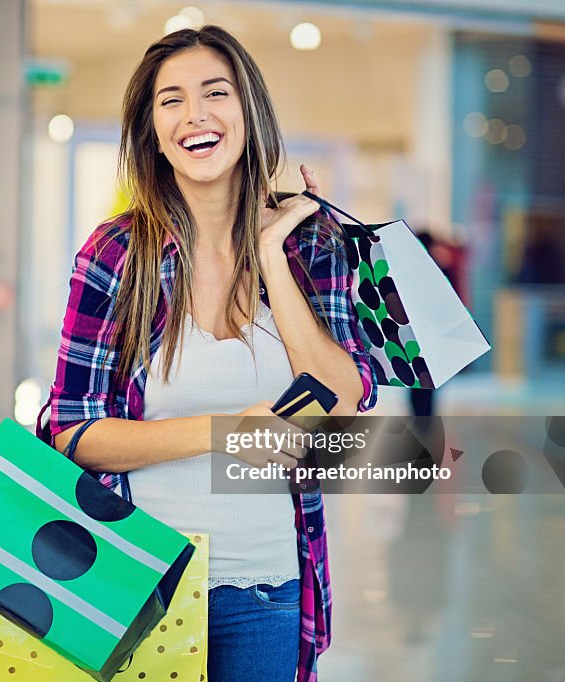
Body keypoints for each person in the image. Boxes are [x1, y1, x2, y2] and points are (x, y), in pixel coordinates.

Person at [37, 26, 376, 682]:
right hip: (140, 585)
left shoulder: (311, 247)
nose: (195, 114)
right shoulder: (117, 255)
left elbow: (342, 397)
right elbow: (70, 433)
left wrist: (275, 254)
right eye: (172, 101)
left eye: (215, 93)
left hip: (269, 589)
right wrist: (224, 435)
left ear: (248, 113)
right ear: (152, 134)